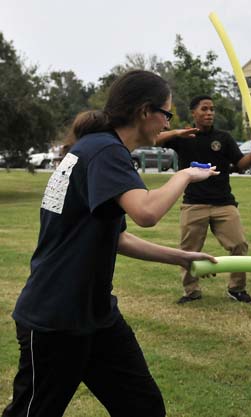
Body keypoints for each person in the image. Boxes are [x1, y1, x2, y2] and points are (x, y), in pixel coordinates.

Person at [2, 70, 220, 417]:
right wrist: (185, 175)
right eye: (167, 113)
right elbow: (146, 213)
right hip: (55, 318)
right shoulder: (105, 151)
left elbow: (114, 237)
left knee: (143, 407)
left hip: (95, 315)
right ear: (145, 111)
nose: (167, 122)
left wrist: (179, 257)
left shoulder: (96, 147)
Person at [156, 95, 251, 304]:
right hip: (194, 203)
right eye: (204, 109)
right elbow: (152, 138)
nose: (209, 113)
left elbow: (241, 165)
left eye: (212, 109)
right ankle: (191, 291)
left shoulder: (223, 138)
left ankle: (237, 289)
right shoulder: (184, 137)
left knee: (239, 244)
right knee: (188, 251)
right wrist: (178, 132)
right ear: (193, 113)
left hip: (224, 203)